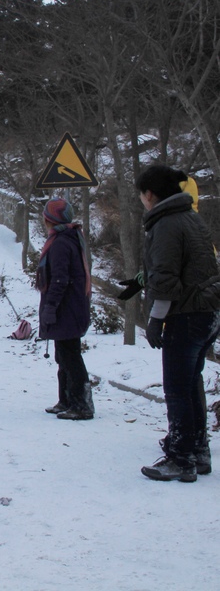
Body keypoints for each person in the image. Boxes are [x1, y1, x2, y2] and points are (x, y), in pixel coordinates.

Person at [135, 165, 220, 483]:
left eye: (142, 195)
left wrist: (155, 319)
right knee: (189, 384)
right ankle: (197, 451)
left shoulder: (166, 224)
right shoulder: (191, 218)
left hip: (185, 315)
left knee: (177, 389)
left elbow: (165, 278)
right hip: (207, 312)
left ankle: (180, 458)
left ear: (150, 194)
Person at [36, 197, 93, 421]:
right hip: (72, 305)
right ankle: (67, 400)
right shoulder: (70, 237)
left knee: (70, 356)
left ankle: (81, 404)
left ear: (49, 219)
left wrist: (51, 305)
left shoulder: (60, 242)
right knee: (63, 355)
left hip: (67, 307)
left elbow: (60, 279)